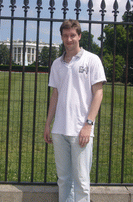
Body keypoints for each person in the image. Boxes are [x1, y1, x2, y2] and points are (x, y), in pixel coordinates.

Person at [44, 19, 106, 202]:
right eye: (65, 36)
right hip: (59, 130)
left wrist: (88, 125)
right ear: (62, 37)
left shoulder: (92, 60)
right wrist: (48, 124)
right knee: (63, 180)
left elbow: (98, 93)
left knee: (81, 181)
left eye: (72, 35)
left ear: (79, 36)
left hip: (81, 130)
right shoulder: (57, 64)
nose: (69, 39)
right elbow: (55, 95)